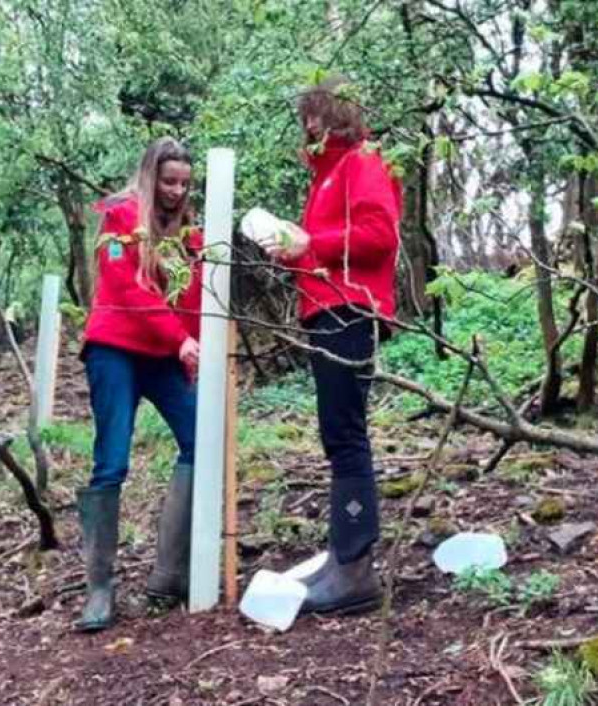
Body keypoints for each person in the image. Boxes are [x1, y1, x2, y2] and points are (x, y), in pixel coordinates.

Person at [266, 76, 402, 615]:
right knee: (335, 434)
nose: (310, 126)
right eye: (305, 119)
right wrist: (295, 252)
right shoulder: (325, 177)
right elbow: (325, 249)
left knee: (345, 436)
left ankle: (355, 568)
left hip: (351, 309)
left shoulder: (363, 161)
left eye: (317, 116)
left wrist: (311, 243)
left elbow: (380, 236)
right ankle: (342, 556)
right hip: (327, 308)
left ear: (339, 115)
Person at [76, 137, 203, 632]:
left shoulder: (191, 233)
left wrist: (190, 346)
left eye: (184, 183)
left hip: (165, 352)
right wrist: (180, 339)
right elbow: (125, 288)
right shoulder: (118, 217)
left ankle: (169, 574)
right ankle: (99, 590)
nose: (176, 190)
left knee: (199, 442)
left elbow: (190, 296)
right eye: (169, 181)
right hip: (115, 349)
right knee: (112, 461)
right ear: (151, 175)